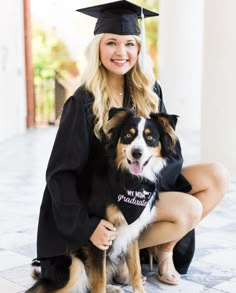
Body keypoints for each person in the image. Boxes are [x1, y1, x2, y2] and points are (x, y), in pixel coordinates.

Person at [34, 0, 230, 288]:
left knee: (217, 176)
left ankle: (162, 252)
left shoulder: (150, 90)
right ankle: (121, 256)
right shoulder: (83, 101)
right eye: (111, 42)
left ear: (139, 50)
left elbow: (171, 153)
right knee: (187, 209)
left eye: (130, 44)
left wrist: (144, 178)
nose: (121, 52)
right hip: (100, 201)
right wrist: (87, 226)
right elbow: (60, 173)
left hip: (136, 188)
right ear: (98, 48)